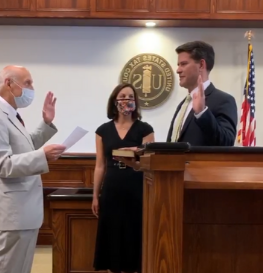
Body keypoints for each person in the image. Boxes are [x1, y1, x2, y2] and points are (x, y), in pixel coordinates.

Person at [0, 65, 66, 273]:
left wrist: (46, 123)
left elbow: (25, 147)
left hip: (23, 210)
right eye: (27, 83)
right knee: (6, 269)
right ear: (9, 83)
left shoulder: (10, 114)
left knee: (19, 269)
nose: (31, 88)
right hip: (12, 210)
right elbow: (2, 164)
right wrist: (43, 156)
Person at [92, 83, 154, 273]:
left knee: (133, 235)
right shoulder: (102, 130)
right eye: (122, 97)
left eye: (130, 97)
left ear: (136, 102)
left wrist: (136, 153)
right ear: (114, 101)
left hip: (136, 187)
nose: (126, 100)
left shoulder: (145, 129)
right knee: (112, 236)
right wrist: (96, 195)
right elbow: (100, 164)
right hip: (112, 189)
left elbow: (149, 163)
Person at [167, 40, 238, 146]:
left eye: (183, 64)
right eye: (178, 65)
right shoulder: (183, 105)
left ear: (201, 65)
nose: (178, 70)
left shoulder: (224, 100)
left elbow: (226, 142)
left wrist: (202, 113)